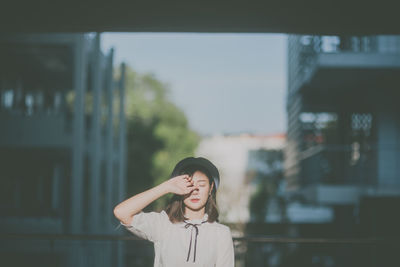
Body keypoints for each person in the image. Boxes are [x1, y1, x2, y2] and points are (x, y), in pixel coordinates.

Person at [114, 157, 235, 267]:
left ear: (211, 188)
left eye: (201, 185)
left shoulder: (221, 233)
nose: (195, 191)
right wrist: (166, 187)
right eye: (189, 185)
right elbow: (121, 212)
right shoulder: (162, 224)